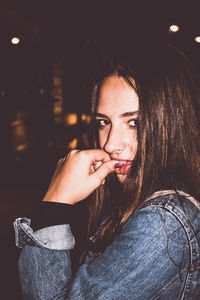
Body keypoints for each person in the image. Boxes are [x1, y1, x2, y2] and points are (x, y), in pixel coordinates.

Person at [14, 44, 200, 299]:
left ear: (172, 122)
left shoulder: (164, 222)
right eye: (104, 122)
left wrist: (55, 206)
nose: (110, 144)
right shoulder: (135, 198)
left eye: (134, 122)